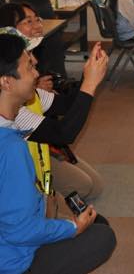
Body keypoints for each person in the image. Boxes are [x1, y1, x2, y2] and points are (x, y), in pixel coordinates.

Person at [0, 34, 116, 274]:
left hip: (16, 230)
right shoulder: (11, 147)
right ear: (6, 82)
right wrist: (72, 227)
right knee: (102, 236)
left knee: (95, 221)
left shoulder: (12, 124)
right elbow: (20, 231)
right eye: (29, 66)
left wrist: (88, 79)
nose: (36, 72)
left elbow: (67, 106)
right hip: (12, 260)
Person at [15, 41, 108, 201]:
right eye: (29, 62)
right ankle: (42, 197)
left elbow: (67, 104)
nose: (35, 62)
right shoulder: (11, 112)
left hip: (39, 150)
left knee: (95, 187)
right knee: (83, 186)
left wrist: (87, 77)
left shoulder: (29, 94)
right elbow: (64, 134)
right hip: (23, 165)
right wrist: (89, 84)